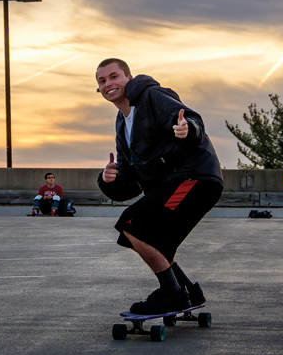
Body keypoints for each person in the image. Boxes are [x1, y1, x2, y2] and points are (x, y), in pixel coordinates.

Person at [96, 58, 224, 314]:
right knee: (148, 238)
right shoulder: (122, 123)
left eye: (113, 76)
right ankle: (188, 291)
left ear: (128, 79)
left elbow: (189, 118)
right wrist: (108, 180)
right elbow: (131, 182)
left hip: (194, 176)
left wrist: (188, 129)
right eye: (101, 81)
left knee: (131, 223)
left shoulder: (152, 95)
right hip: (174, 183)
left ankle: (172, 294)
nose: (108, 84)